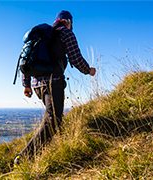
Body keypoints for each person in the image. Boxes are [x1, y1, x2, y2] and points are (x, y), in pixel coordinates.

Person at [14, 10, 96, 164]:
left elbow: (26, 61)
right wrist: (88, 70)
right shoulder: (66, 33)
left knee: (54, 118)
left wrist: (26, 85)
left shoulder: (41, 36)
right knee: (53, 120)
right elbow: (76, 58)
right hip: (53, 82)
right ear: (68, 22)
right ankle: (24, 158)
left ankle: (60, 146)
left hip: (37, 85)